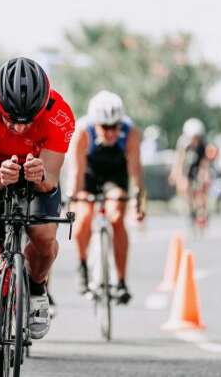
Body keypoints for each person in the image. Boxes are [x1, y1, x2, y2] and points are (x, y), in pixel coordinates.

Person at [0, 57, 75, 377]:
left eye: (29, 120)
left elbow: (51, 178)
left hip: (37, 171)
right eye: (11, 119)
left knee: (44, 238)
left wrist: (40, 176)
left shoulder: (60, 115)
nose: (20, 127)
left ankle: (37, 289)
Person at [68, 90, 145, 305]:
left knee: (117, 216)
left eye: (115, 127)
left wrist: (140, 202)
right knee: (83, 216)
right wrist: (72, 200)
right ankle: (82, 265)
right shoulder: (83, 131)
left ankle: (120, 281)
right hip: (90, 175)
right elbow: (76, 171)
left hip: (115, 176)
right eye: (105, 127)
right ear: (95, 124)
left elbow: (136, 170)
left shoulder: (130, 133)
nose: (111, 132)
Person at [169, 118, 212, 226]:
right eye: (193, 138)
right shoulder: (183, 143)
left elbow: (205, 163)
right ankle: (191, 209)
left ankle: (202, 210)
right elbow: (179, 160)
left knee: (201, 187)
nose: (195, 140)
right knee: (186, 187)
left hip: (198, 166)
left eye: (197, 138)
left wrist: (204, 176)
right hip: (187, 166)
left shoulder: (204, 144)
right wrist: (176, 174)